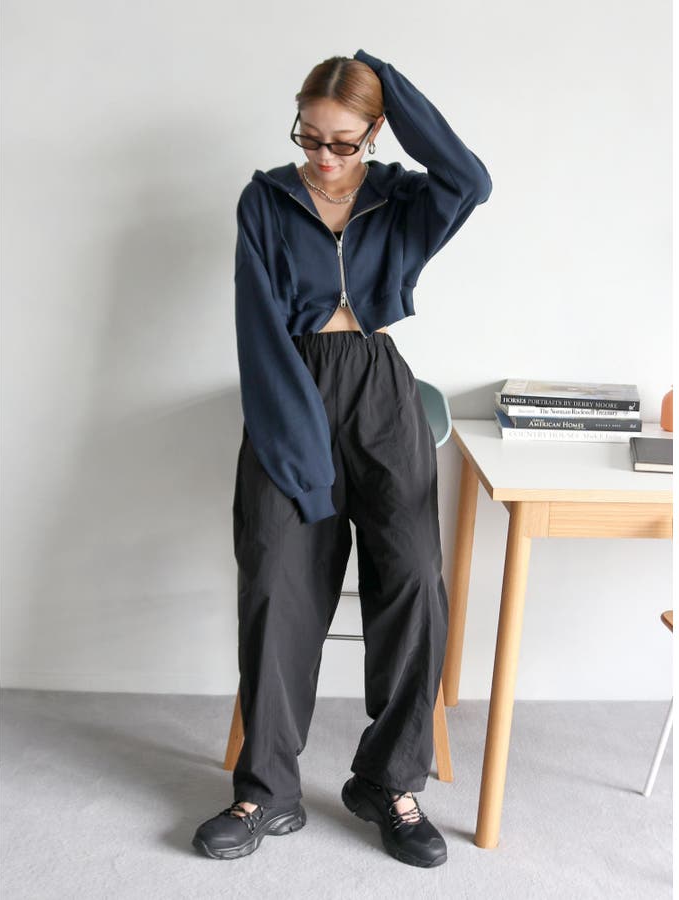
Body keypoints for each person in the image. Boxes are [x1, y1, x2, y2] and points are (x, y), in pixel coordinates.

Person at [192, 48, 492, 868]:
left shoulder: (403, 198)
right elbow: (257, 323)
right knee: (276, 580)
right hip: (289, 385)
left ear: (375, 131)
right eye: (310, 136)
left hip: (381, 390)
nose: (324, 157)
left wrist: (386, 80)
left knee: (415, 580)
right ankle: (265, 791)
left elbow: (471, 180)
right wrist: (298, 445)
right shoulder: (266, 199)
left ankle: (389, 784)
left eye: (344, 141)